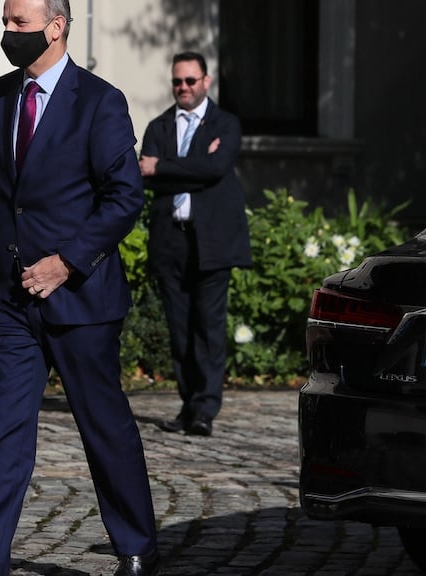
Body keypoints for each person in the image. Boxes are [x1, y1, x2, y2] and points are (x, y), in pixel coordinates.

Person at [0, 1, 159, 575]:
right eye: (4, 22)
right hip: (9, 301)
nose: (7, 33)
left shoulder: (100, 101)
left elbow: (124, 197)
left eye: (18, 23)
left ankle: (137, 549)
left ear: (56, 26)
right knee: (6, 429)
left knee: (104, 428)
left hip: (81, 300)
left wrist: (67, 263)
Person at [139, 51, 252, 438]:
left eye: (190, 81)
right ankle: (188, 405)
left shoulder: (226, 124)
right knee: (179, 329)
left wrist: (166, 167)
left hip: (212, 242)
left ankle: (205, 408)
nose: (183, 88)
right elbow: (147, 177)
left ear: (206, 81)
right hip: (171, 241)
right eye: (177, 82)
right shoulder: (158, 126)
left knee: (208, 327)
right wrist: (192, 168)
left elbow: (216, 170)